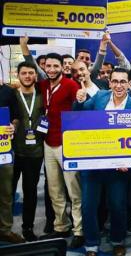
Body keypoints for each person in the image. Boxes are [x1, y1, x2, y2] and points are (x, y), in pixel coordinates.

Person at [73, 68, 131, 256]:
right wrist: (79, 101)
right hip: (93, 164)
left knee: (118, 205)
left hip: (118, 169)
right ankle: (91, 244)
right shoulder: (99, 98)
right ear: (110, 83)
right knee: (88, 206)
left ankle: (117, 240)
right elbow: (78, 116)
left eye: (123, 82)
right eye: (115, 81)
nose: (119, 85)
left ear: (129, 84)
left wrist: (129, 161)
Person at [36, 52, 84, 248]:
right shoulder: (44, 85)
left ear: (62, 68)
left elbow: (81, 103)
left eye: (56, 66)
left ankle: (79, 230)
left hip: (67, 143)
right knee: (54, 189)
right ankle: (61, 226)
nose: (52, 69)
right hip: (48, 142)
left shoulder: (71, 85)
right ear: (44, 67)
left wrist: (81, 97)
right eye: (48, 66)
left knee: (74, 190)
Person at [12, 62, 44, 242]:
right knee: (7, 192)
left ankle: (28, 227)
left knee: (30, 192)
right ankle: (5, 227)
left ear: (35, 76)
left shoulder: (42, 96)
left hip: (36, 152)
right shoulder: (12, 95)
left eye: (31, 73)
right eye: (23, 73)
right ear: (18, 75)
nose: (27, 76)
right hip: (15, 152)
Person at [0, 79, 22, 244]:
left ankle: (5, 230)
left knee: (6, 193)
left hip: (3, 150)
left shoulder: (8, 91)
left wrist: (13, 126)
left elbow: (16, 117)